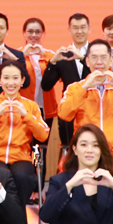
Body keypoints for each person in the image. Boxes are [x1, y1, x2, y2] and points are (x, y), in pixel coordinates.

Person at [57, 40, 113, 181]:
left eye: (103, 57)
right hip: (84, 153)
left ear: (110, 60)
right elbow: (64, 114)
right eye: (94, 57)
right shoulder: (75, 88)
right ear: (87, 61)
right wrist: (85, 88)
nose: (99, 62)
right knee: (68, 179)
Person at [0, 61, 51, 208]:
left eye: (15, 78)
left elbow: (43, 135)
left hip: (20, 157)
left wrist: (26, 116)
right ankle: (1, 215)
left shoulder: (31, 106)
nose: (10, 83)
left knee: (23, 177)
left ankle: (16, 214)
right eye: (6, 78)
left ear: (22, 81)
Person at [40, 13, 93, 149]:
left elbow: (102, 74)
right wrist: (52, 62)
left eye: (83, 27)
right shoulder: (64, 55)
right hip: (70, 110)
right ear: (69, 30)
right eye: (75, 28)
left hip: (94, 108)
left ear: (89, 29)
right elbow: (46, 85)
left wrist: (83, 58)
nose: (79, 31)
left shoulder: (97, 53)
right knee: (69, 149)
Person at [17, 17, 53, 115]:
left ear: (43, 33)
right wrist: (22, 56)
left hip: (45, 105)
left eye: (37, 32)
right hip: (22, 105)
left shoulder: (50, 55)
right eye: (30, 31)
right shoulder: (17, 54)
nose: (34, 35)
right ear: (24, 33)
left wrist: (44, 55)